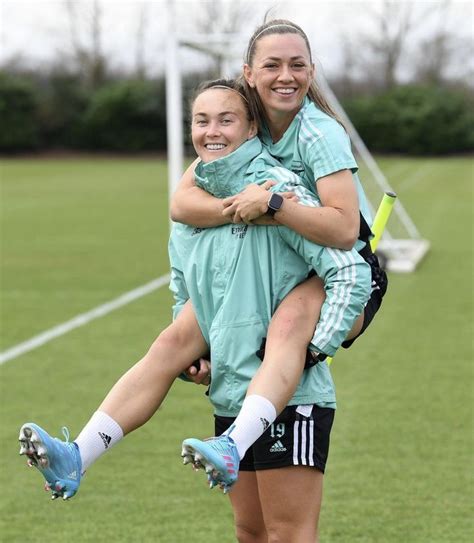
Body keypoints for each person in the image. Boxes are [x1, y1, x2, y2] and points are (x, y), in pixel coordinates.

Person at [18, 78, 369, 524]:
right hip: (230, 393)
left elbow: (350, 268)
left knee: (288, 536)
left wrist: (318, 347)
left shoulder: (277, 188)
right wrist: (197, 352)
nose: (212, 130)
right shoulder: (192, 202)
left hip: (291, 396)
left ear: (250, 128)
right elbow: (184, 284)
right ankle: (76, 457)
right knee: (250, 532)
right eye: (201, 120)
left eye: (227, 119)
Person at [171, 19, 388, 541]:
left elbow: (342, 230)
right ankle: (84, 449)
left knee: (288, 327)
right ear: (249, 73)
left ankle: (235, 440)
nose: (286, 76)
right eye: (272, 65)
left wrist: (271, 206)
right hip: (288, 267)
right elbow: (182, 202)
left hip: (343, 270)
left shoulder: (319, 132)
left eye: (297, 65)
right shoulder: (243, 123)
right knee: (176, 339)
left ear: (312, 72)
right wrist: (238, 209)